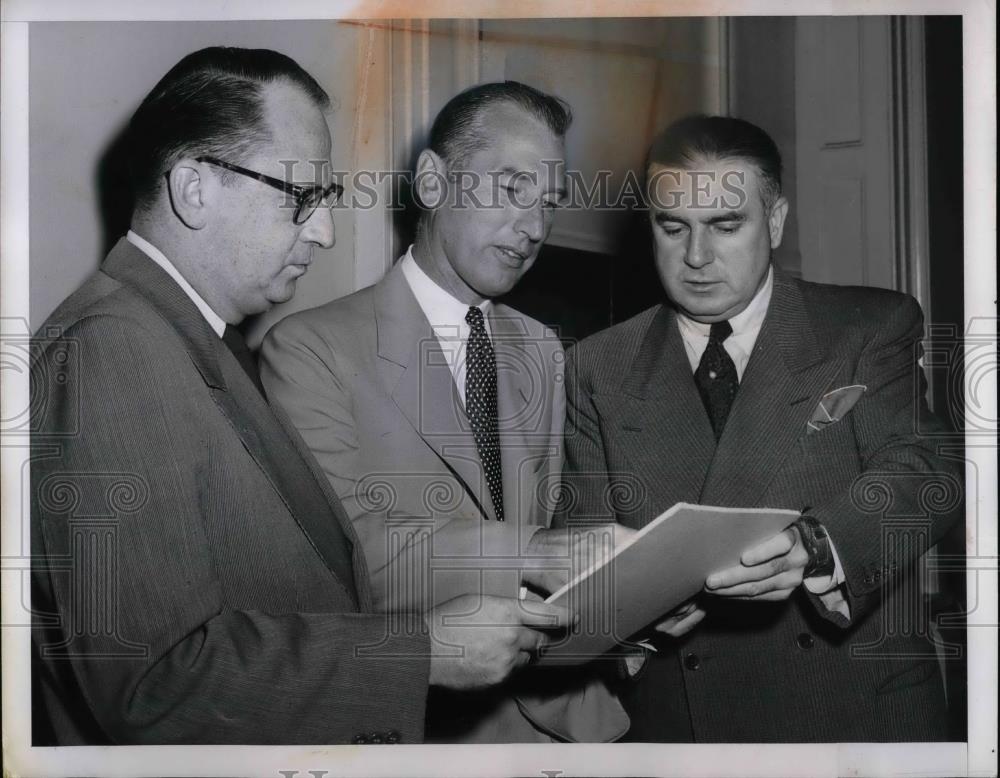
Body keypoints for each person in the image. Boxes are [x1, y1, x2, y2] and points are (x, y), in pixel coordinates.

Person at [30, 47, 572, 746]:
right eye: (301, 197)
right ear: (194, 187)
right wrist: (424, 653)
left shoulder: (180, 337)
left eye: (328, 200)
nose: (323, 231)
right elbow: (154, 683)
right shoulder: (113, 348)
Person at [558, 115, 964, 742]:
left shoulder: (866, 327)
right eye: (673, 228)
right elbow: (583, 549)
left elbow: (926, 471)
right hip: (684, 729)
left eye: (725, 226)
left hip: (855, 715)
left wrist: (818, 545)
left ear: (774, 222)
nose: (696, 257)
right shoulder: (598, 366)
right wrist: (632, 620)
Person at [260, 81, 628, 742]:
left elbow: (564, 538)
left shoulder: (542, 348)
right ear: (432, 182)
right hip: (422, 730)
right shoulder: (309, 348)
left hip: (570, 729)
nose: (536, 228)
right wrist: (536, 554)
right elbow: (345, 564)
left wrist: (638, 600)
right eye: (512, 188)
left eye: (547, 202)